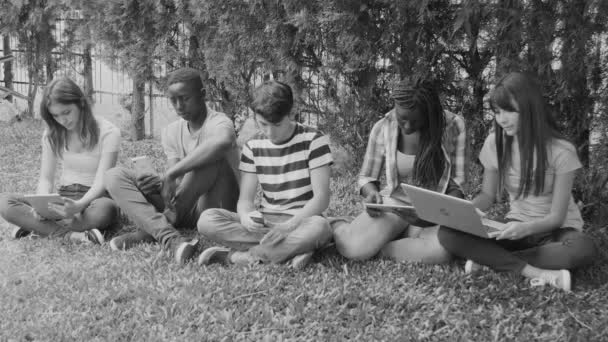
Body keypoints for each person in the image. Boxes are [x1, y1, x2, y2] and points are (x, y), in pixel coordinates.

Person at [438, 72, 597, 292]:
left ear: (530, 109)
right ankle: (537, 272)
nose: (502, 119)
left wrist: (526, 229)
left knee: (583, 248)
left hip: (557, 230)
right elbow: (487, 196)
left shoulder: (561, 150)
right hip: (514, 224)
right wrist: (463, 212)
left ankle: (491, 262)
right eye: (497, 112)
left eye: (510, 110)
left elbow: (556, 217)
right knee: (448, 233)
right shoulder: (495, 143)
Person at [104, 68, 240, 264]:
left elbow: (223, 142)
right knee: (114, 175)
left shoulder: (219, 122)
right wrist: (158, 182)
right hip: (182, 205)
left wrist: (171, 174)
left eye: (184, 98)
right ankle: (170, 237)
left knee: (209, 158)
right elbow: (176, 184)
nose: (179, 106)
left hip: (214, 206)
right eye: (173, 100)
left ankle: (149, 232)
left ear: (203, 95)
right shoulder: (171, 131)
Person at [196, 80, 333, 269]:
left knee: (321, 228)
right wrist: (245, 216)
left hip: (302, 221)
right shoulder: (253, 146)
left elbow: (321, 199)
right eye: (263, 124)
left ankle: (236, 258)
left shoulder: (314, 140)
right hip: (266, 222)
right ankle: (292, 251)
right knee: (207, 220)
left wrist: (289, 227)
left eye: (276, 124)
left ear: (291, 113)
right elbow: (245, 200)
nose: (270, 132)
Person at [332, 76, 467, 263]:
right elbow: (366, 177)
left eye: (417, 121)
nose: (408, 126)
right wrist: (372, 194)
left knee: (441, 252)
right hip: (397, 206)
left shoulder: (453, 126)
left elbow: (457, 183)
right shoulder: (383, 127)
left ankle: (383, 247)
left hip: (434, 213)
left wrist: (435, 214)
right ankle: (338, 225)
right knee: (352, 249)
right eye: (403, 119)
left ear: (430, 114)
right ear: (395, 106)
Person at [0, 77, 119, 243]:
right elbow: (46, 178)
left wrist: (79, 205)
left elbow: (102, 182)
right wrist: (40, 204)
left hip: (95, 199)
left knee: (107, 210)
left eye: (67, 112)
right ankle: (71, 235)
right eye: (55, 115)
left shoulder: (108, 132)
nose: (63, 120)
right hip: (63, 197)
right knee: (5, 202)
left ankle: (39, 228)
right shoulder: (52, 133)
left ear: (81, 104)